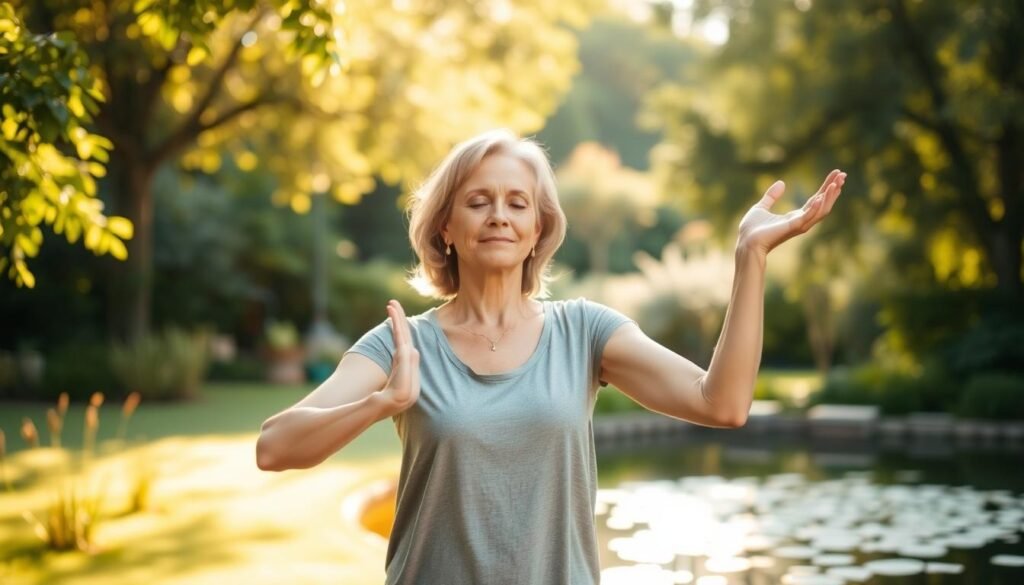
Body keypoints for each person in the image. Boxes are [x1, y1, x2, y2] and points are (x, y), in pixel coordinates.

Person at [255, 128, 845, 584]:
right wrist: (381, 402)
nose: (499, 217)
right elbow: (274, 447)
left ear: (539, 229)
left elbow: (723, 404)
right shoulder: (402, 343)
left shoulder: (584, 332)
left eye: (517, 203)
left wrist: (751, 258)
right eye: (478, 201)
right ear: (445, 229)